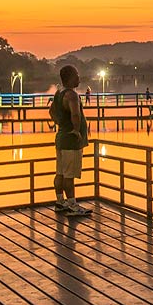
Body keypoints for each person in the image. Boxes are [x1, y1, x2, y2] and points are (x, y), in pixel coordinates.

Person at [48, 65, 92, 217]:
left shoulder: (59, 93)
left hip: (61, 138)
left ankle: (60, 202)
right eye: (77, 75)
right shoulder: (72, 95)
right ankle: (72, 205)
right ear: (71, 77)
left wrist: (60, 123)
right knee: (69, 175)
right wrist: (75, 129)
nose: (79, 78)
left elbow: (51, 111)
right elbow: (76, 115)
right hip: (71, 141)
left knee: (60, 172)